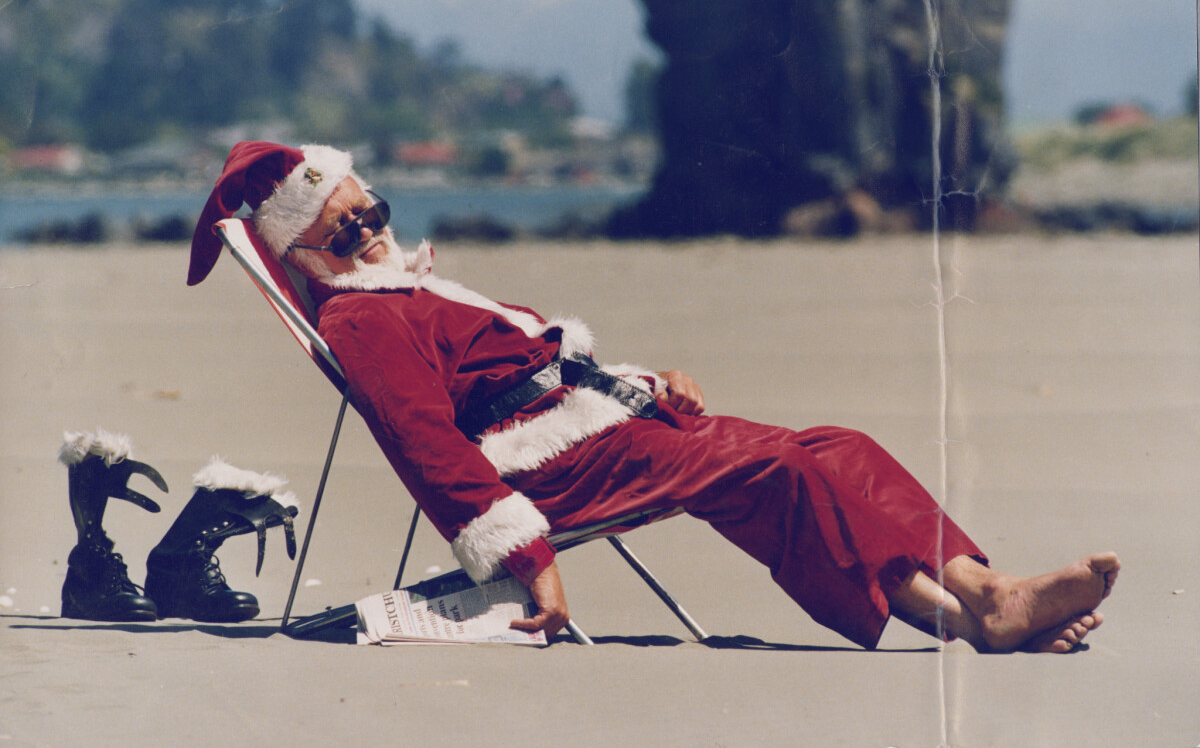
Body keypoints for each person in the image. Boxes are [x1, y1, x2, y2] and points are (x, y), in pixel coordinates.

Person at [188, 142, 1119, 652]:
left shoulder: (402, 291)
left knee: (828, 449)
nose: (372, 232)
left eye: (372, 210)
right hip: (552, 470)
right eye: (346, 229)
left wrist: (638, 380)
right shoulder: (365, 321)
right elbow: (427, 445)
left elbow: (531, 364)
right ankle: (982, 610)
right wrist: (530, 558)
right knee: (784, 466)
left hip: (599, 428)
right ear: (306, 253)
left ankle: (979, 599)